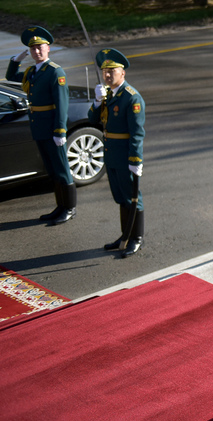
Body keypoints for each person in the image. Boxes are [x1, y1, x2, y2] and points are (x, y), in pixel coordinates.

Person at [6, 26, 76, 225]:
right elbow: (11, 77)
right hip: (39, 128)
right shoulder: (32, 71)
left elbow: (62, 103)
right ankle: (60, 206)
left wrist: (60, 130)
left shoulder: (55, 71)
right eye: (32, 49)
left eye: (40, 47)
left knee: (62, 169)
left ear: (48, 48)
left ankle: (69, 208)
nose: (36, 51)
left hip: (52, 129)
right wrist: (16, 60)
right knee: (52, 170)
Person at [89, 48, 146, 257]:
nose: (107, 75)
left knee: (132, 197)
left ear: (123, 72)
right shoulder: (108, 95)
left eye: (112, 71)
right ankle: (125, 235)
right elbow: (94, 120)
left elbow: (137, 133)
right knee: (121, 197)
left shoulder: (131, 97)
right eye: (105, 71)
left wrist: (135, 159)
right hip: (111, 153)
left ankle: (136, 238)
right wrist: (97, 102)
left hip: (125, 155)